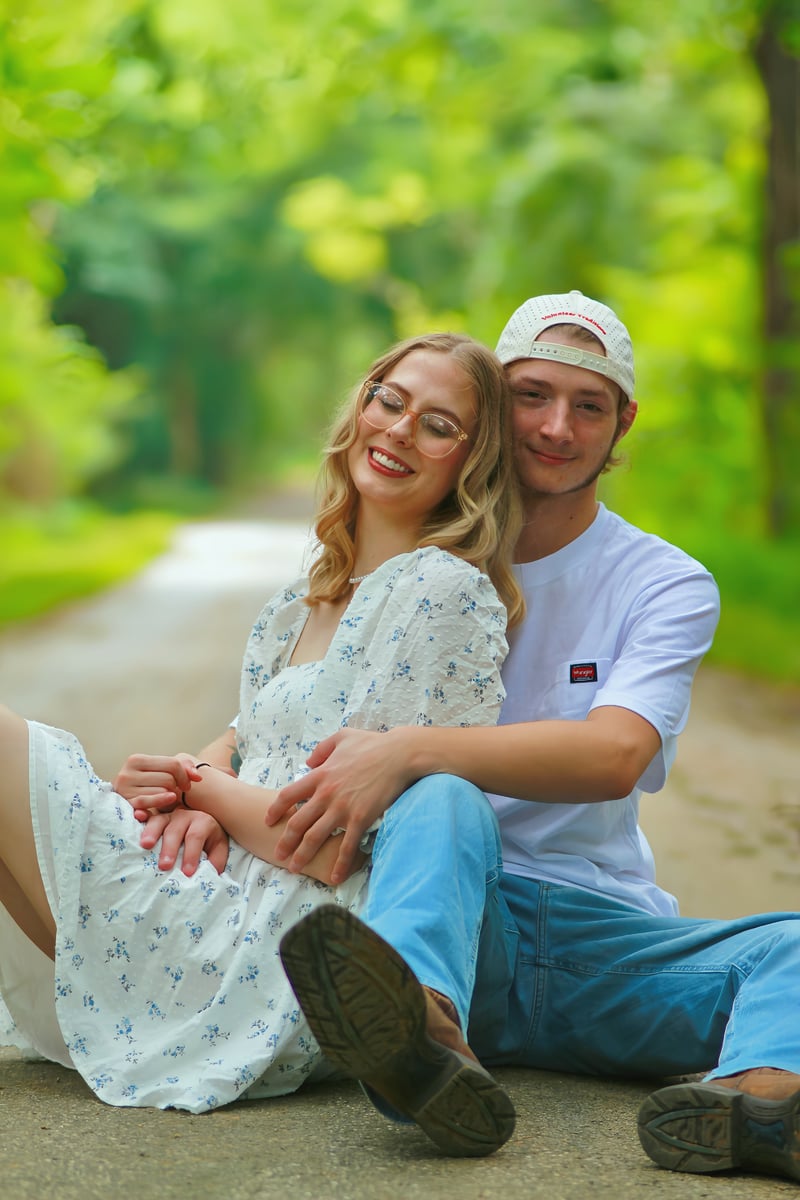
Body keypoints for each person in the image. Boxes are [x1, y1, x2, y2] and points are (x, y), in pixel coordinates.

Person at [269, 291, 800, 1184]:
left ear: (621, 421)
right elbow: (297, 694)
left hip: (599, 940)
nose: (557, 426)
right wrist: (203, 768)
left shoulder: (662, 582)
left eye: (588, 405)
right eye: (531, 397)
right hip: (448, 917)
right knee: (446, 806)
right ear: (489, 409)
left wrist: (409, 747)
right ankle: (425, 1035)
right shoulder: (422, 555)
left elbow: (615, 755)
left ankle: (760, 1101)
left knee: (789, 945)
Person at [0, 330, 523, 1150]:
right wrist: (191, 781)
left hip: (278, 943)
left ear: (471, 463)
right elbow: (250, 742)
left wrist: (200, 788)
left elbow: (339, 848)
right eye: (390, 400)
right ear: (361, 404)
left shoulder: (442, 592)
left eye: (437, 425)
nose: (397, 431)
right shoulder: (306, 589)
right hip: (215, 888)